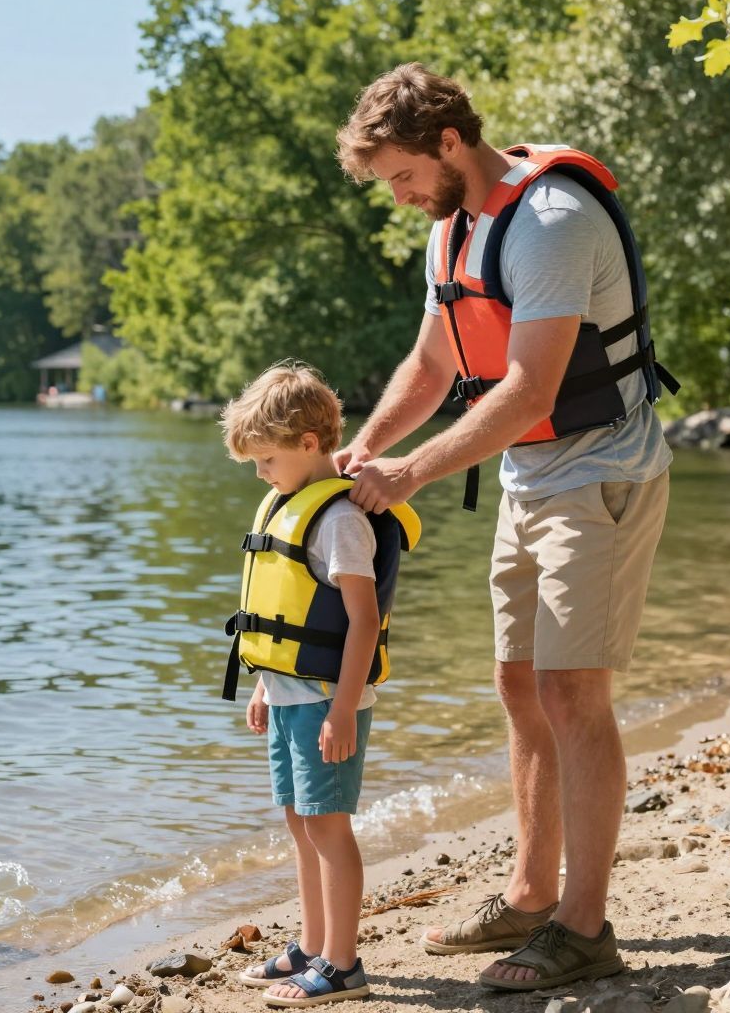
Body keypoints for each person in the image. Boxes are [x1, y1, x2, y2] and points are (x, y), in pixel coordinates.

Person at [330, 63, 675, 991]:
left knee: (574, 693)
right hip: (530, 478)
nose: (399, 197)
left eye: (402, 175)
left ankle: (584, 927)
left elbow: (526, 388)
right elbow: (436, 357)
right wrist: (365, 446)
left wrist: (409, 475)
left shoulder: (553, 222)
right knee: (519, 683)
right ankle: (530, 897)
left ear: (449, 142)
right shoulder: (453, 228)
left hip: (601, 472)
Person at [221, 361, 420, 1007]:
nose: (261, 474)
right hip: (288, 697)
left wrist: (340, 708)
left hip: (328, 704)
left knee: (329, 827)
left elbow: (364, 620)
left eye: (267, 459)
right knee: (300, 821)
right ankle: (311, 946)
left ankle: (343, 964)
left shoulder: (338, 522)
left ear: (310, 444)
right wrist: (262, 685)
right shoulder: (288, 502)